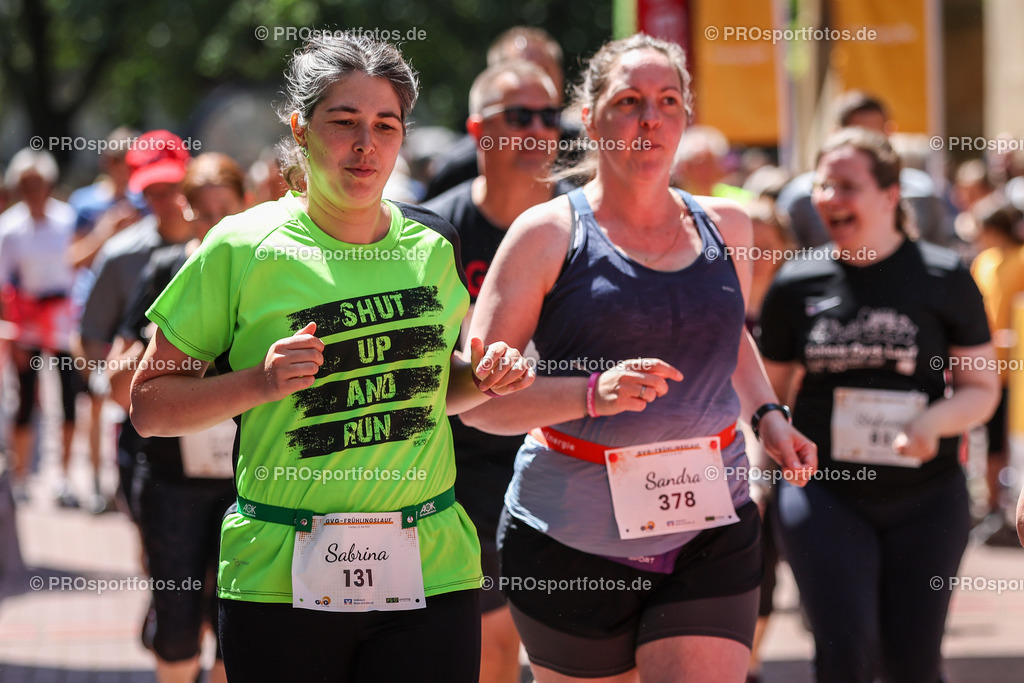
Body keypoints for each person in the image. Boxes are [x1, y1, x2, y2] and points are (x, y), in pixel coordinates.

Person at [129, 34, 533, 682]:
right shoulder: (240, 246)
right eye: (343, 122)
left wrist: (483, 380)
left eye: (385, 124)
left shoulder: (432, 242)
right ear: (300, 128)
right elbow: (150, 407)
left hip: (429, 565)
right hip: (280, 572)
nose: (365, 144)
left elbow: (435, 389)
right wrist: (260, 381)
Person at [461, 34, 816, 682]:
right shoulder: (545, 235)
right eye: (629, 100)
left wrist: (768, 415)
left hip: (711, 516)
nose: (650, 118)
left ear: (684, 118)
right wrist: (590, 393)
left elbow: (728, 334)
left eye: (668, 100)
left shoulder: (729, 226)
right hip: (573, 537)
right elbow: (477, 400)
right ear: (591, 117)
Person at [759, 127, 1000, 682]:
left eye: (848, 185)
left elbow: (981, 388)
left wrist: (933, 422)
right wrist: (762, 456)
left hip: (927, 497)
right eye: (823, 185)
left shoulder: (944, 276)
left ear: (890, 195)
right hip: (825, 496)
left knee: (912, 662)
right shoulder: (797, 282)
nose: (830, 198)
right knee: (846, 653)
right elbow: (765, 394)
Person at [424, 58, 562, 683]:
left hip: (574, 453)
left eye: (549, 116)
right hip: (471, 462)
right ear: (479, 130)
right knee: (493, 647)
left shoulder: (583, 226)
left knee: (578, 648)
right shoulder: (432, 235)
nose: (537, 129)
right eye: (519, 116)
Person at [107, 153, 248, 683]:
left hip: (246, 476)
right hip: (170, 477)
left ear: (245, 207)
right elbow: (121, 385)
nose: (213, 223)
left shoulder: (264, 272)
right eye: (203, 211)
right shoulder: (166, 271)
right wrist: (165, 349)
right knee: (176, 623)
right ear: (186, 211)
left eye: (224, 210)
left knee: (240, 625)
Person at [77, 129, 193, 519]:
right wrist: (109, 386)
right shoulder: (120, 255)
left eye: (173, 186)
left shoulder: (223, 245)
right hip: (143, 425)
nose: (166, 200)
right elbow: (91, 334)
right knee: (155, 545)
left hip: (214, 414)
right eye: (153, 190)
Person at [0, 148, 86, 506]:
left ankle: (63, 477)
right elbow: (4, 282)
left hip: (64, 317)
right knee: (25, 398)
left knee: (69, 396)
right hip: (27, 320)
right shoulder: (10, 228)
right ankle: (19, 478)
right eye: (26, 186)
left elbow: (80, 267)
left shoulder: (67, 220)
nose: (34, 193)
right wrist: (12, 331)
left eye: (39, 185)